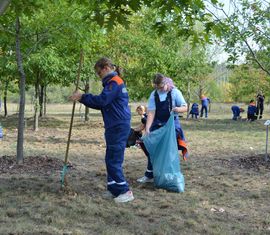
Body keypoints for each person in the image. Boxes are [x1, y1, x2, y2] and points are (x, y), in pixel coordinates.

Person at [69, 57, 134, 203]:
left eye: (99, 73)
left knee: (114, 160)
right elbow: (102, 104)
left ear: (106, 68)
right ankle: (114, 189)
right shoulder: (111, 83)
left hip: (118, 125)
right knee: (110, 158)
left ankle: (125, 191)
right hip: (113, 125)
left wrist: (82, 96)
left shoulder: (115, 82)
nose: (99, 77)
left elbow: (102, 101)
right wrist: (82, 98)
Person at [137, 73, 188, 183]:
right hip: (157, 125)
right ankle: (149, 174)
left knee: (169, 151)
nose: (159, 89)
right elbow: (151, 113)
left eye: (161, 87)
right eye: (157, 87)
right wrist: (148, 128)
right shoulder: (154, 94)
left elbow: (185, 107)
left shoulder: (175, 92)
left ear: (166, 83)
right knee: (153, 150)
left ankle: (169, 176)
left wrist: (177, 109)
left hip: (171, 126)